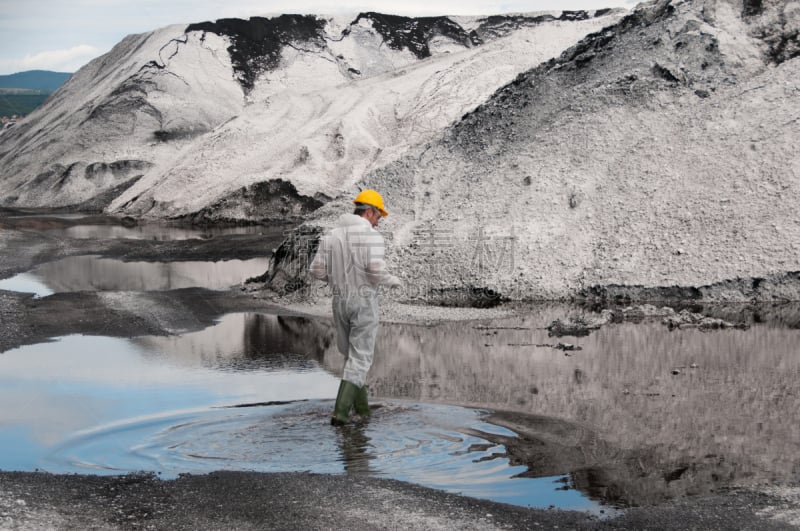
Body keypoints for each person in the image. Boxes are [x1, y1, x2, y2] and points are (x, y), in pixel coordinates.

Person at [309, 189, 401, 425]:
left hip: (339, 300)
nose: (379, 222)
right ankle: (339, 415)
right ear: (369, 212)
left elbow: (315, 271)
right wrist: (394, 281)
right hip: (363, 301)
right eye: (378, 217)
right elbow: (374, 270)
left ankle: (362, 410)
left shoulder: (330, 237)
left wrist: (337, 280)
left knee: (351, 357)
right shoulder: (371, 236)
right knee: (360, 359)